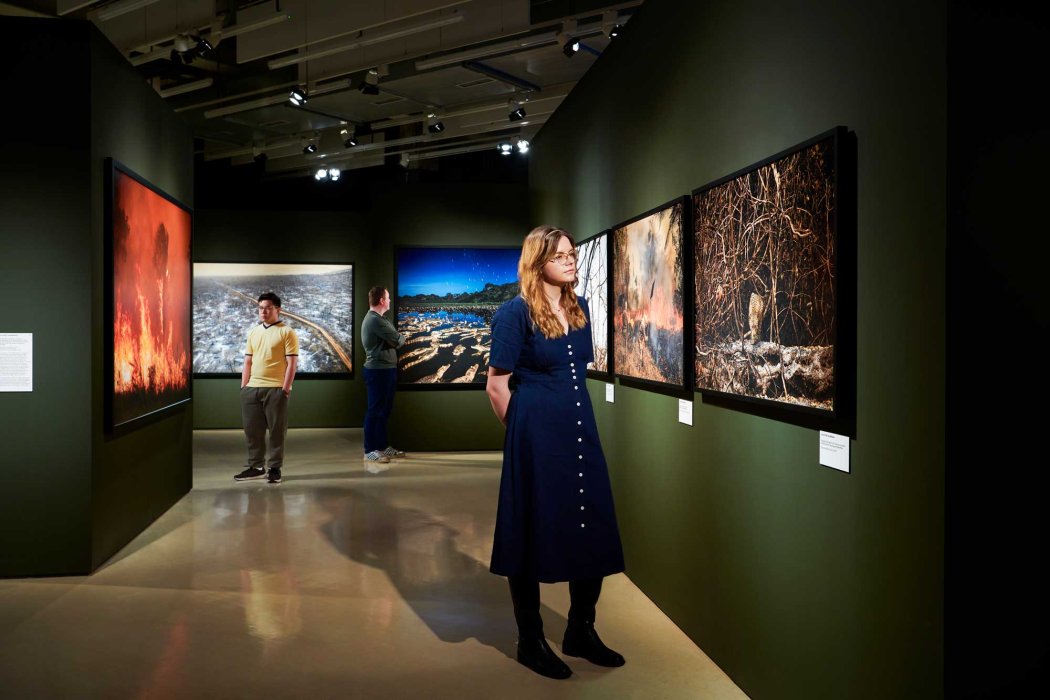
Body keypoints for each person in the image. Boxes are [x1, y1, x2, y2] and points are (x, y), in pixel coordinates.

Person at [486, 226, 626, 680]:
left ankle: (580, 630)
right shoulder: (515, 314)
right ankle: (531, 640)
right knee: (530, 529)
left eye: (572, 254)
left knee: (592, 520)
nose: (571, 261)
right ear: (537, 260)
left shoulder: (578, 308)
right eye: (561, 255)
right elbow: (496, 385)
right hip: (535, 434)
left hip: (579, 428)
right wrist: (525, 432)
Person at [234, 292, 299, 485]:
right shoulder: (254, 332)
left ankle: (275, 468)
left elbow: (292, 364)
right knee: (252, 431)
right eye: (261, 308)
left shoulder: (287, 332)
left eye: (268, 308)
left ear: (278, 309)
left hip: (275, 389)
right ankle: (256, 467)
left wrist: (284, 390)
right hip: (251, 389)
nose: (263, 311)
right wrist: (243, 387)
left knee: (277, 432)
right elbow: (247, 361)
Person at [361, 285, 407, 472]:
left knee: (384, 410)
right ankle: (369, 449)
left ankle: (382, 446)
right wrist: (396, 339)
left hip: (385, 369)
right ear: (381, 300)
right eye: (387, 298)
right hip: (378, 371)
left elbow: (394, 339)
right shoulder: (376, 321)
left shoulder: (380, 319)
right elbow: (398, 340)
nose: (389, 301)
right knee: (375, 410)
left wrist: (394, 338)